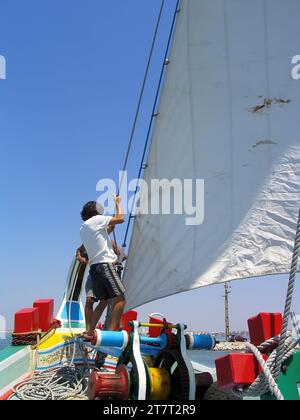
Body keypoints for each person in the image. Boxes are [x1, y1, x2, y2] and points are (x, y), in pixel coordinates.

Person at [79, 196, 126, 335]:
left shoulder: (83, 228)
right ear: (96, 212)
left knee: (104, 301)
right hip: (105, 265)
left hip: (94, 269)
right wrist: (117, 203)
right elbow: (120, 218)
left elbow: (106, 230)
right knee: (121, 299)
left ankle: (89, 331)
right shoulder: (97, 220)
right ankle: (110, 334)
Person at [76, 240, 127, 335]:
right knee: (90, 300)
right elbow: (78, 255)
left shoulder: (110, 242)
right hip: (94, 274)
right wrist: (82, 259)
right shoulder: (84, 244)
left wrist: (114, 263)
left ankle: (117, 328)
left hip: (108, 271)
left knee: (115, 300)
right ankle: (88, 329)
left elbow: (123, 255)